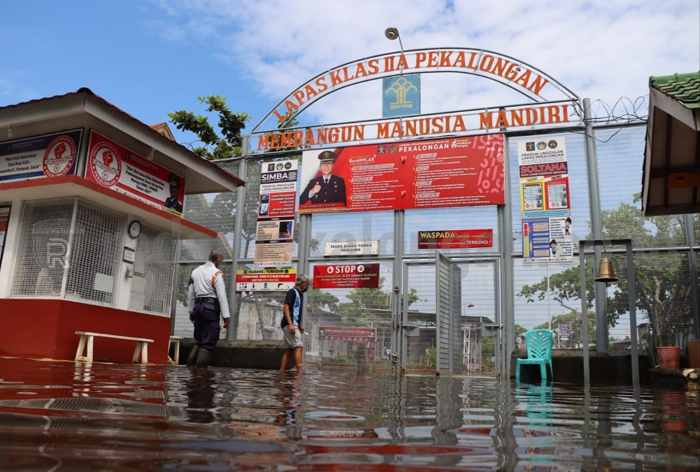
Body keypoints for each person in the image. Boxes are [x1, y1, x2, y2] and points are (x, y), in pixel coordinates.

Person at [186, 248, 230, 368]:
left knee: (199, 340)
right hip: (210, 309)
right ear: (218, 259)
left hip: (198, 307)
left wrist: (191, 311)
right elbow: (222, 296)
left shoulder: (195, 271)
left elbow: (191, 293)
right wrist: (226, 316)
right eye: (222, 260)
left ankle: (189, 369)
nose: (221, 262)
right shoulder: (217, 273)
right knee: (209, 341)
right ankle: (201, 373)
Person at [280, 274, 310, 372]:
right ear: (302, 283)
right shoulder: (292, 292)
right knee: (299, 346)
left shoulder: (299, 294)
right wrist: (290, 324)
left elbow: (296, 311)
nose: (307, 286)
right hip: (289, 324)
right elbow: (286, 307)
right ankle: (299, 372)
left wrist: (299, 324)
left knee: (289, 349)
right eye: (307, 284)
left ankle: (281, 371)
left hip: (293, 323)